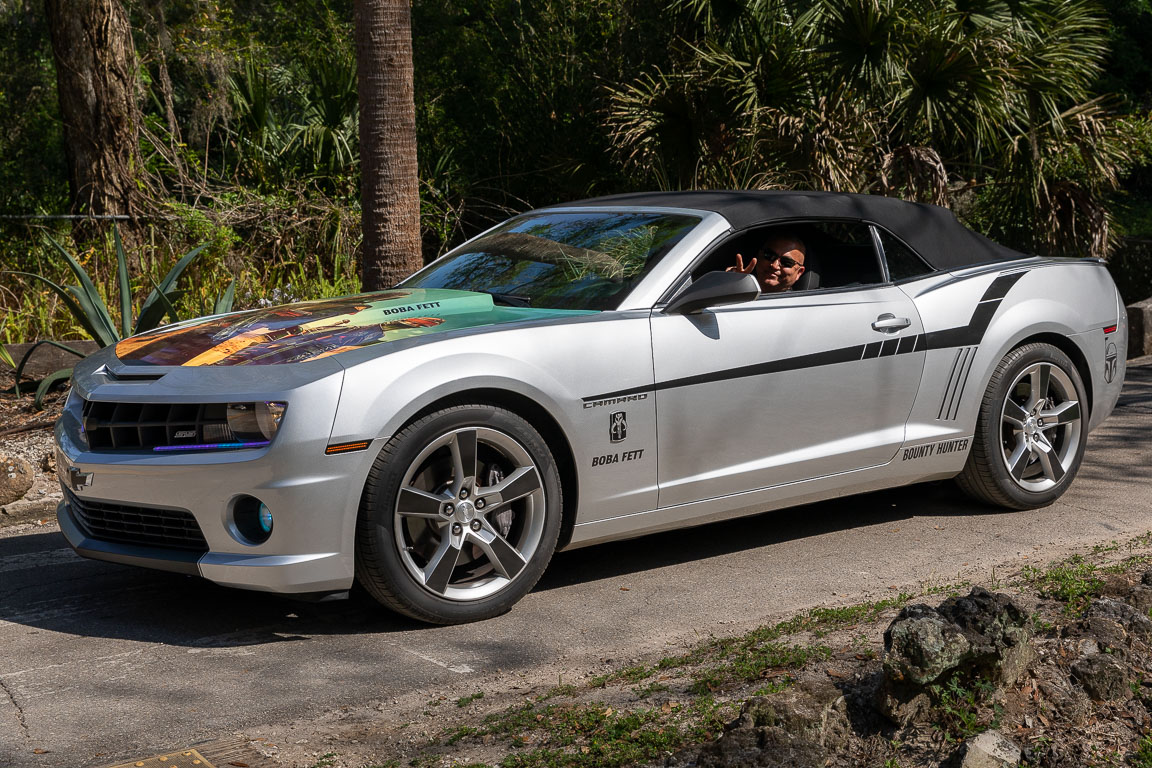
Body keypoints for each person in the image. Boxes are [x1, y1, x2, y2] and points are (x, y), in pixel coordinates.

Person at [727, 233, 806, 293]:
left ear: (799, 272)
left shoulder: (796, 306)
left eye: (786, 262)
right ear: (759, 255)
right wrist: (733, 284)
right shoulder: (740, 288)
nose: (774, 265)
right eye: (769, 255)